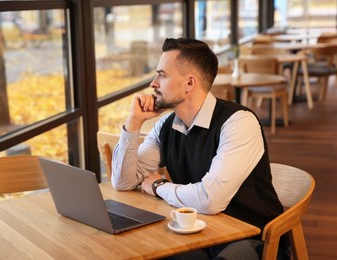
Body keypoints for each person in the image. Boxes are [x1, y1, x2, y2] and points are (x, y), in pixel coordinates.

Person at [111, 38, 288, 259]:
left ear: (189, 83)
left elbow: (210, 200)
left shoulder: (239, 122)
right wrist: (133, 123)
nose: (154, 83)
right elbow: (123, 182)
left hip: (253, 238)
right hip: (198, 232)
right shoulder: (165, 126)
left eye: (162, 75)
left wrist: (159, 186)